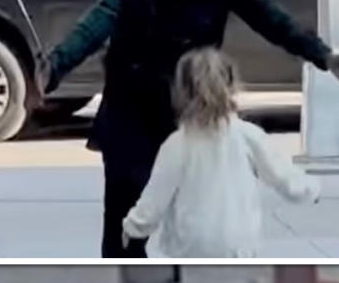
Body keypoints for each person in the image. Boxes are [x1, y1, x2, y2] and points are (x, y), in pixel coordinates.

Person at [31, 0, 339, 258]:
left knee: (199, 218)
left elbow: (272, 19)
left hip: (192, 110)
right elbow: (98, 21)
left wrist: (323, 56)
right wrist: (53, 68)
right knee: (127, 218)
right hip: (133, 107)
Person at [121, 48, 321, 258]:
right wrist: (312, 189)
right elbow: (285, 179)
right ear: (232, 86)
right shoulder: (248, 136)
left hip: (191, 250)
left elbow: (154, 201)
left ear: (180, 91)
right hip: (238, 247)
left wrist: (133, 227)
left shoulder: (177, 144)